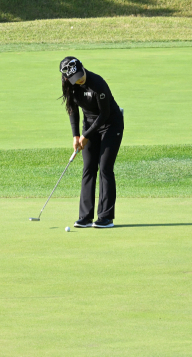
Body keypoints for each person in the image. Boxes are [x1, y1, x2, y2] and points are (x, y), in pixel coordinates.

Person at [60, 57, 124, 228]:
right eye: (75, 78)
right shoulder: (70, 85)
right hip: (89, 126)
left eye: (80, 75)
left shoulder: (98, 83)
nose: (80, 79)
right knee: (88, 168)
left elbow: (104, 114)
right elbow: (72, 109)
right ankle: (85, 217)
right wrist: (76, 136)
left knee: (105, 168)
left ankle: (105, 217)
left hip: (111, 125)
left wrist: (85, 135)